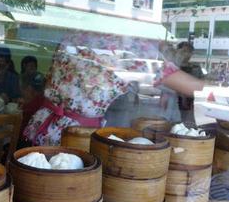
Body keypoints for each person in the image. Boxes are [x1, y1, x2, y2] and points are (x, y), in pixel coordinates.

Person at [23, 31, 204, 146]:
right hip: (74, 139)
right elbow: (194, 88)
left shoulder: (74, 34)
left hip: (41, 126)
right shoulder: (133, 47)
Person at [19, 72, 45, 136]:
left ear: (29, 88)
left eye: (21, 88)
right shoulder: (46, 102)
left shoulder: (28, 109)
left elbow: (20, 132)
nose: (21, 92)